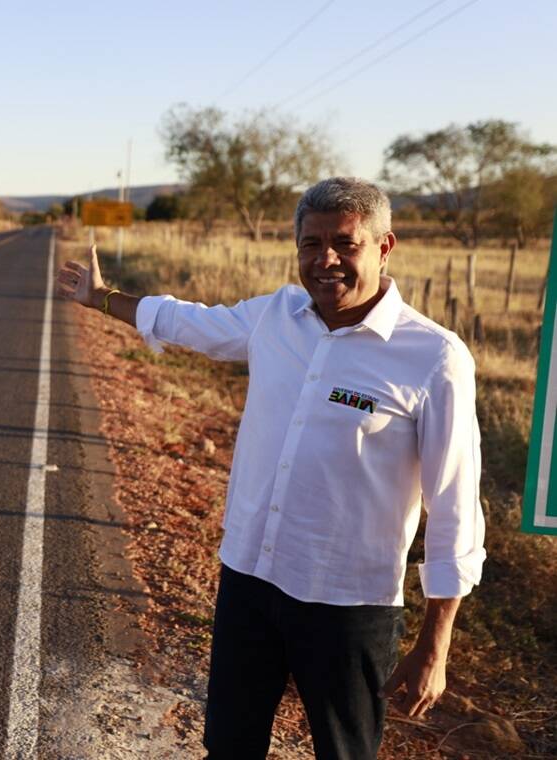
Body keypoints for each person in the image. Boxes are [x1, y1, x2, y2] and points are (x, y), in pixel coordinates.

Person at [55, 177, 485, 760]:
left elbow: (455, 502)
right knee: (230, 745)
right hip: (251, 578)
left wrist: (436, 644)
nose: (324, 259)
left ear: (385, 247)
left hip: (348, 603)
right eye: (310, 244)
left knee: (343, 752)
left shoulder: (433, 357)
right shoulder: (276, 318)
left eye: (344, 244)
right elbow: (188, 321)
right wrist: (102, 298)